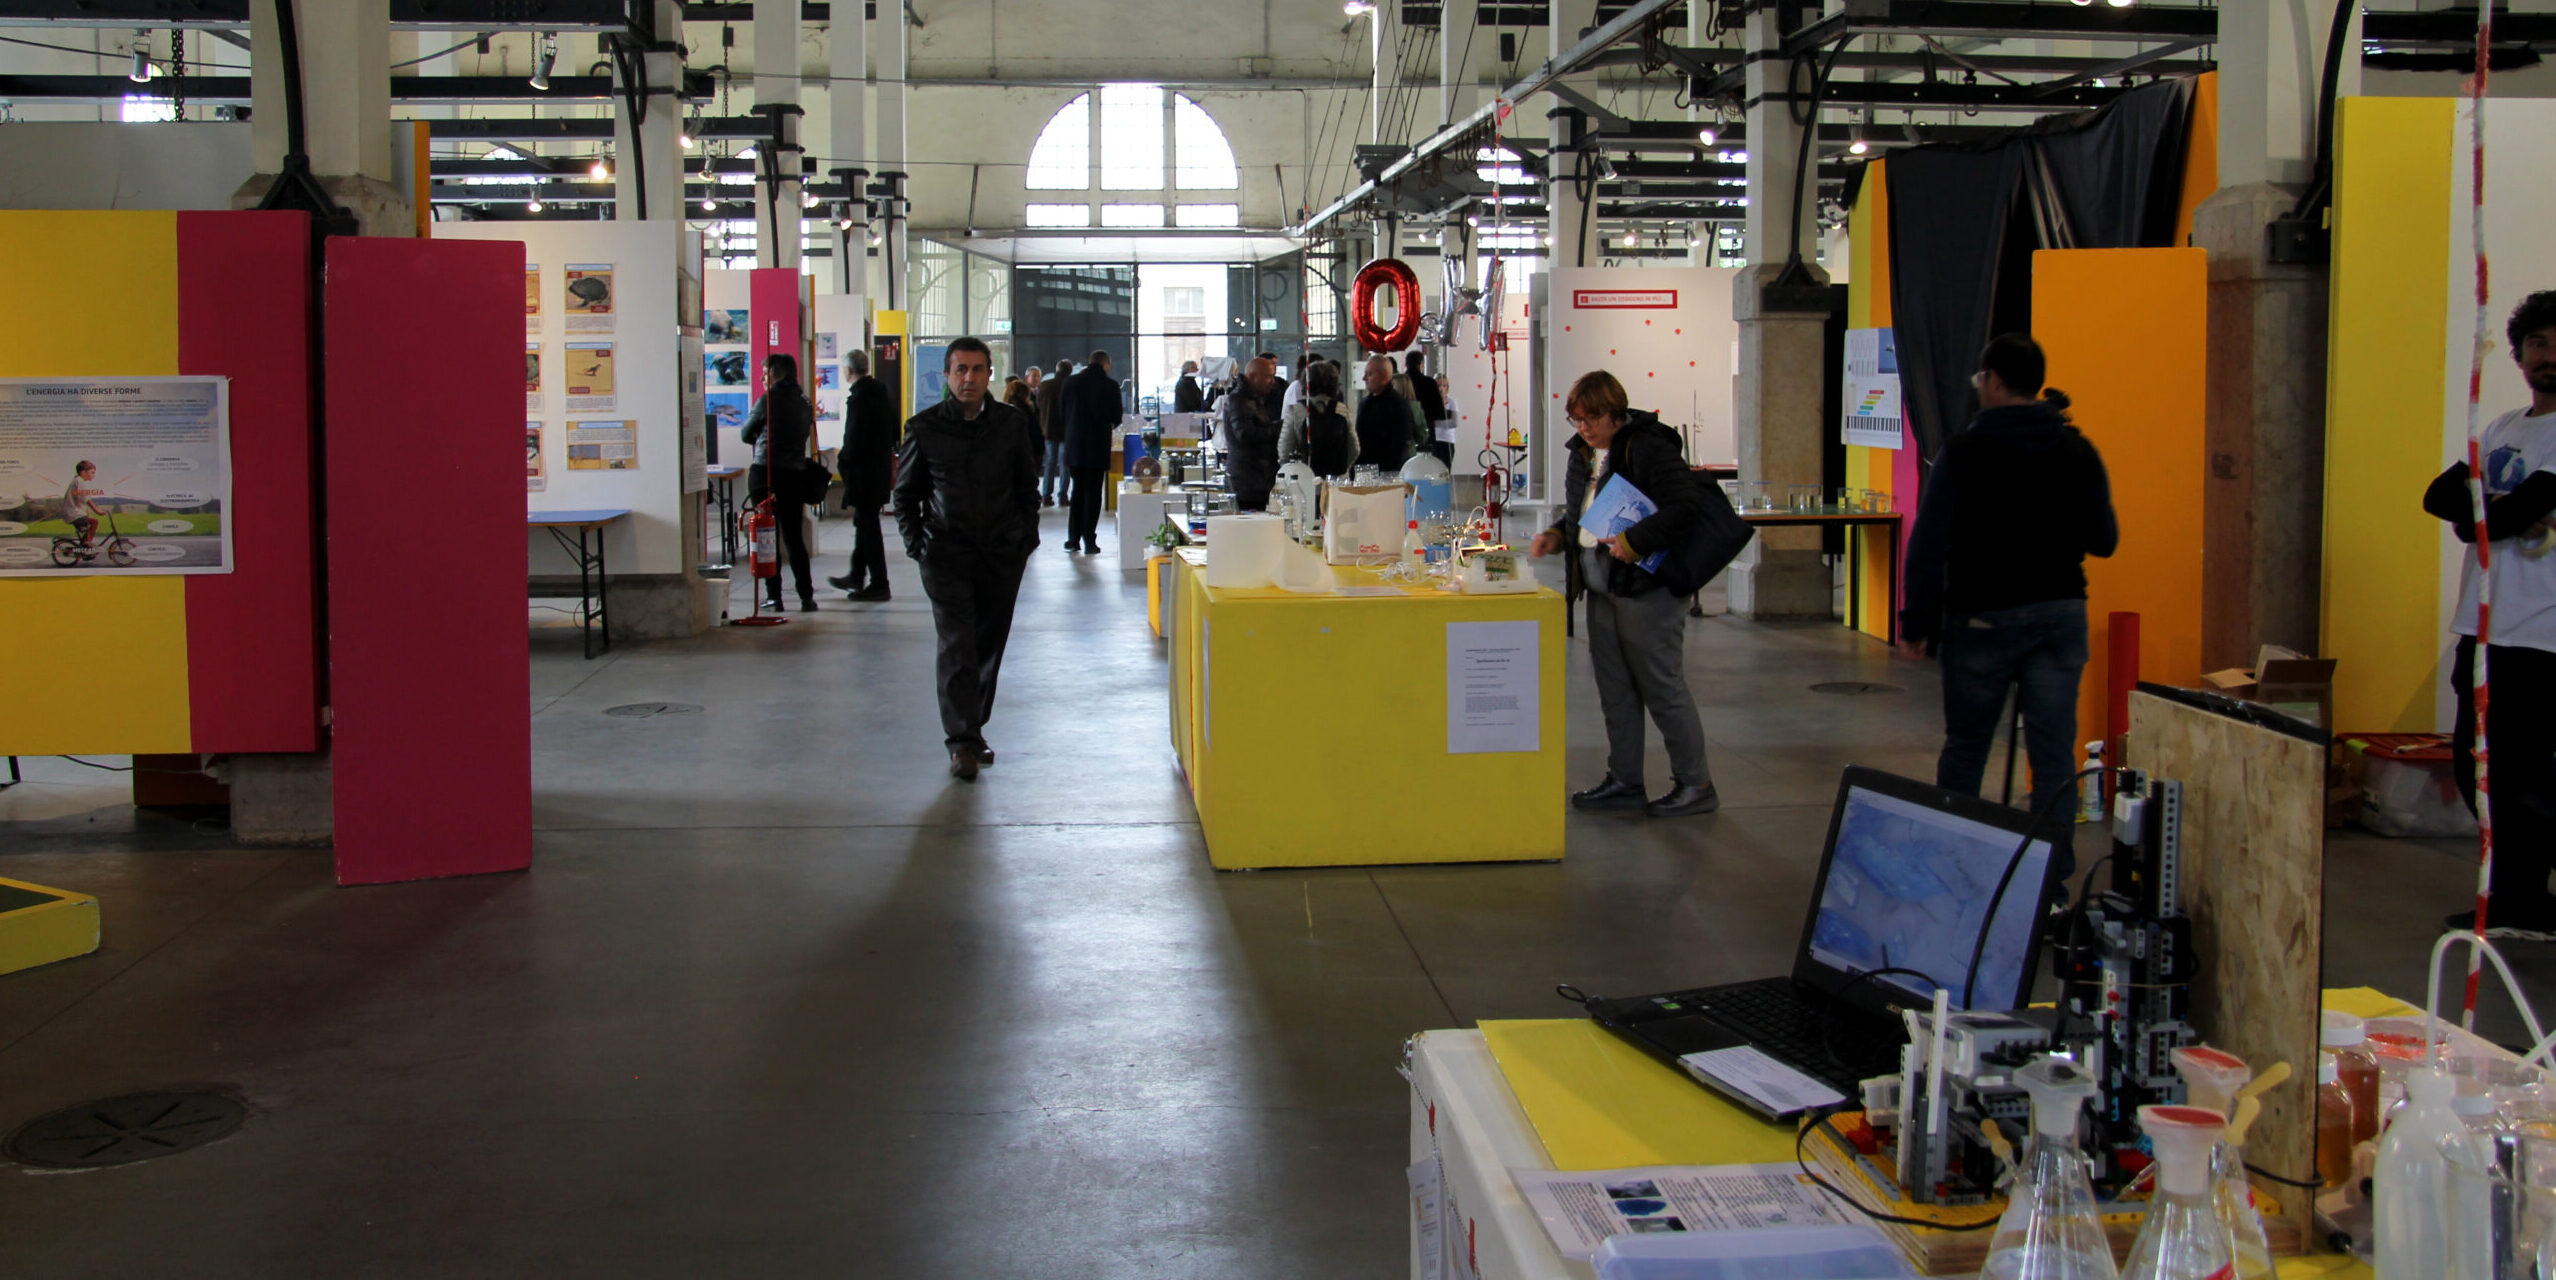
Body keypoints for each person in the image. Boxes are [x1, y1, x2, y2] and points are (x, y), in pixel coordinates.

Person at [1898, 333, 2118, 837]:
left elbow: (1928, 545)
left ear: (1993, 381)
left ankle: (1954, 863)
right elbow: (2104, 540)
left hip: (1981, 616)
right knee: (2053, 755)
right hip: (2060, 612)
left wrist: (1916, 623)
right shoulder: (2075, 449)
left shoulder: (1963, 452)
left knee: (1967, 747)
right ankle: (2051, 885)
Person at [1530, 371, 1718, 817]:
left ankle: (1696, 783)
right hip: (1602, 588)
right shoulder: (1582, 454)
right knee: (1615, 691)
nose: (1585, 428)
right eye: (1577, 420)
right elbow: (1585, 515)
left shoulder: (1648, 447)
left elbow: (1684, 508)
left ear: (1616, 412)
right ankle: (1624, 779)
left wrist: (1636, 541)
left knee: (1662, 687)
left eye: (1592, 418)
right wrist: (1559, 536)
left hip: (1646, 590)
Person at [2428, 290, 2556, 939]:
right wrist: (2483, 518)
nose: (2549, 356)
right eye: (2538, 344)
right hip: (2480, 626)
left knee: (2523, 772)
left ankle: (2528, 901)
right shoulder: (2504, 427)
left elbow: (2496, 514)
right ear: (2520, 353)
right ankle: (2504, 894)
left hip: (2538, 633)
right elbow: (2439, 497)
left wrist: (2483, 515)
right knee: (2474, 764)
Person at [893, 337, 1041, 781]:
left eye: (978, 370)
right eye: (961, 370)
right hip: (946, 555)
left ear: (989, 374)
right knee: (957, 645)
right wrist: (918, 546)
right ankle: (960, 743)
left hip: (1001, 554)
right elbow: (905, 496)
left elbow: (1026, 487)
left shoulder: (1011, 425)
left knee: (987, 645)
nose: (969, 378)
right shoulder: (924, 428)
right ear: (947, 375)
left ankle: (972, 732)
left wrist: (1025, 539)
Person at [740, 352, 819, 612]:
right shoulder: (804, 402)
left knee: (767, 534)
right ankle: (806, 595)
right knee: (794, 537)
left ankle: (775, 595)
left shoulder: (768, 400)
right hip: (795, 473)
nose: (762, 378)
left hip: (766, 473)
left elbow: (746, 433)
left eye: (765, 373)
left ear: (775, 374)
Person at [826, 349, 895, 601]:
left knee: (869, 527)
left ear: (848, 370)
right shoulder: (880, 393)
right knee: (864, 524)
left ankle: (879, 582)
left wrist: (843, 461)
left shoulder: (860, 398)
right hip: (877, 471)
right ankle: (857, 574)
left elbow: (853, 438)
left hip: (863, 474)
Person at [1061, 349, 1121, 555]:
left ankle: (1073, 539)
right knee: (1093, 494)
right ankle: (1089, 540)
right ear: (1105, 365)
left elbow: (1062, 411)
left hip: (1074, 446)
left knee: (1077, 492)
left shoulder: (1070, 383)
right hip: (1097, 446)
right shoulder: (1111, 386)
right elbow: (1117, 416)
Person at [1220, 355, 1285, 510]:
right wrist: (1279, 428)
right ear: (1253, 376)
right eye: (1269, 377)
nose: (1273, 382)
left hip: (1257, 480)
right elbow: (1245, 435)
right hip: (1248, 484)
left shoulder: (1254, 399)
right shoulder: (1239, 400)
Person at [1278, 359, 1353, 478]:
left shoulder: (1296, 411)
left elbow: (1284, 450)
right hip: (1337, 480)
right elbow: (1354, 448)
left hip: (1305, 480)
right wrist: (1343, 468)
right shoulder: (1342, 409)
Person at [1354, 355, 1412, 471]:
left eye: (1370, 374)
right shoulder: (1365, 404)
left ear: (1384, 376)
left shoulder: (1397, 405)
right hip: (1365, 470)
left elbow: (1399, 444)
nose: (1364, 378)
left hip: (1388, 471)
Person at [1036, 358, 1073, 508]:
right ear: (1069, 371)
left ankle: (1046, 495)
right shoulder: (1070, 386)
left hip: (1048, 429)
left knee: (1050, 462)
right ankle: (1063, 496)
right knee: (1065, 464)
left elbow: (1038, 405)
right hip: (1066, 430)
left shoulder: (1044, 385)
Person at [1407, 350, 1451, 465]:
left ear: (1405, 364)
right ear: (1421, 364)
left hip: (1405, 432)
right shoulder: (1429, 382)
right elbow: (1439, 412)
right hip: (1426, 431)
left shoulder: (1401, 381)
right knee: (1426, 465)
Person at [60, 460, 100, 547]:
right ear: (83, 472)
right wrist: (97, 510)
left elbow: (82, 498)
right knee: (94, 522)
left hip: (72, 512)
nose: (94, 475)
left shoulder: (77, 480)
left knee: (89, 524)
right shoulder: (80, 481)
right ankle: (87, 543)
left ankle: (84, 545)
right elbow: (84, 498)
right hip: (73, 513)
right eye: (92, 472)